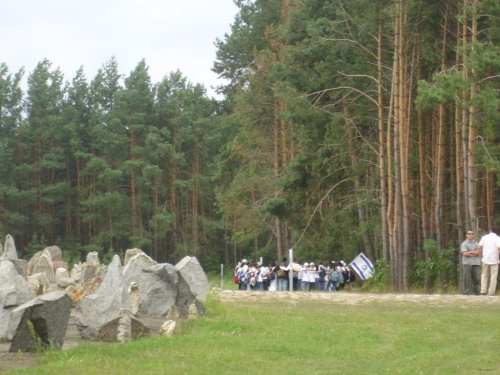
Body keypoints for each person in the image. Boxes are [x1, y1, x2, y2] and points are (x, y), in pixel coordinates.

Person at [477, 227, 500, 296]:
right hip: (495, 259)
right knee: (493, 276)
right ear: (496, 232)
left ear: (490, 231)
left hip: (485, 258)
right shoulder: (498, 238)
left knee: (484, 275)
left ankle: (483, 291)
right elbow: (499, 248)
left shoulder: (484, 237)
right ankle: (491, 292)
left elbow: (479, 247)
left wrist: (480, 257)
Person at [461, 230, 480, 295]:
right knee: (466, 279)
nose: (470, 235)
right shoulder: (464, 244)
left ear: (473, 235)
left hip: (475, 263)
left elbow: (479, 252)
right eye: (469, 234)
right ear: (466, 235)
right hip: (467, 263)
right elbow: (465, 254)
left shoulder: (477, 243)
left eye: (472, 234)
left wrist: (470, 252)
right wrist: (474, 253)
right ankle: (465, 292)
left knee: (476, 279)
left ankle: (477, 293)